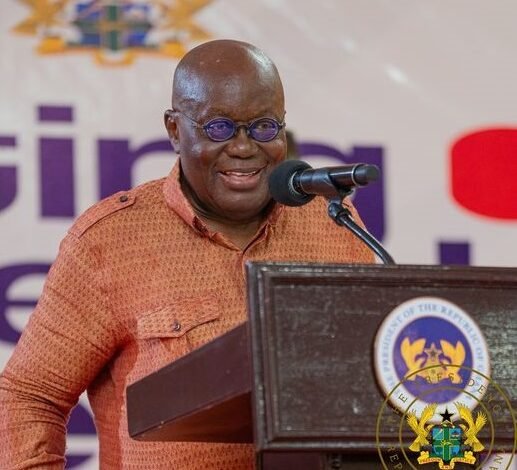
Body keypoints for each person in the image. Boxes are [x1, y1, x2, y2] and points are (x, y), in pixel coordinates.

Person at [0, 39, 374, 469]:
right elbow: (30, 396)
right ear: (175, 130)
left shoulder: (331, 221)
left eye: (264, 127)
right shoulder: (108, 243)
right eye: (219, 128)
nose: (243, 147)